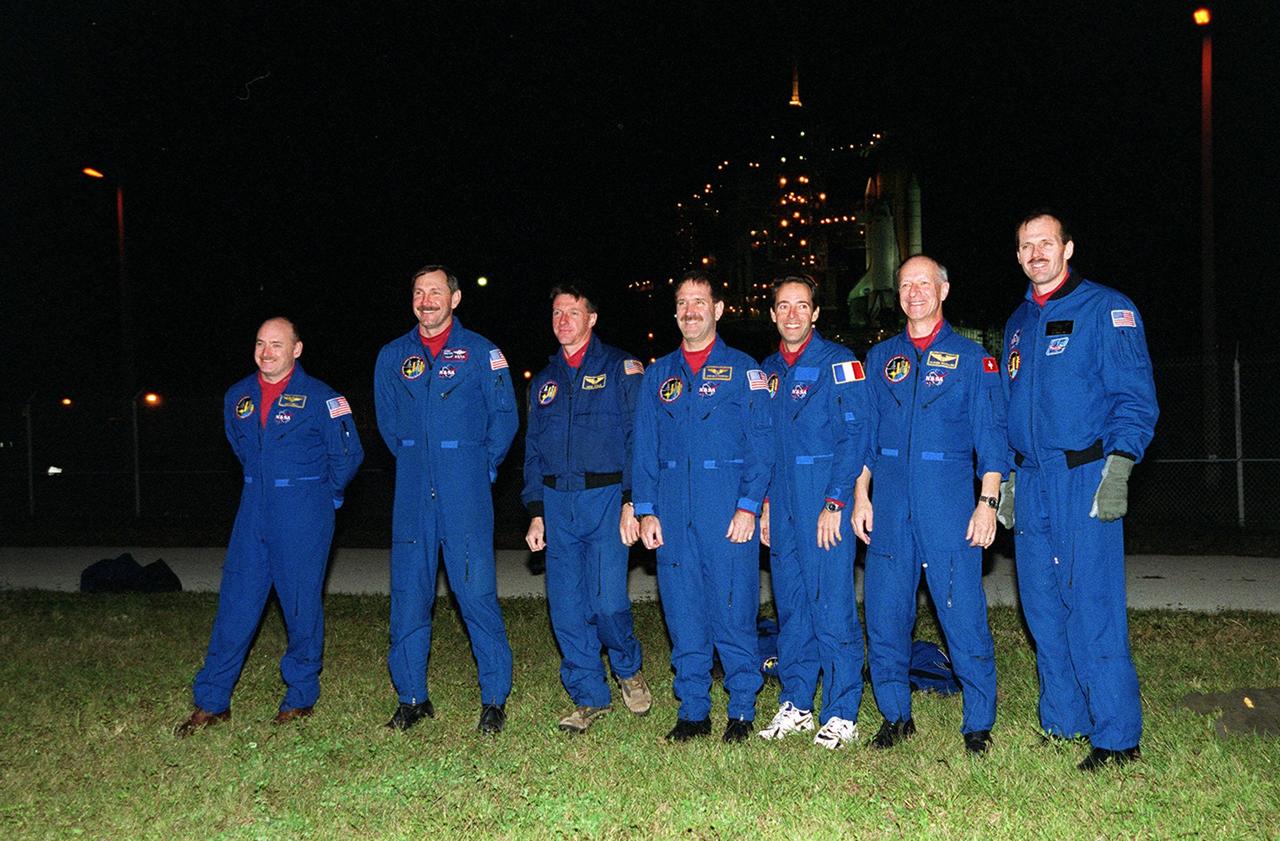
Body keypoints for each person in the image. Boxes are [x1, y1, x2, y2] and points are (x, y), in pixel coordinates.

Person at [999, 212, 1158, 770]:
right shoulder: (1017, 321)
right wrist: (1011, 476)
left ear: (1067, 247)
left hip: (1084, 477)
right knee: (1042, 607)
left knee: (1092, 606)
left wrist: (1119, 467)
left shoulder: (1106, 310)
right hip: (1034, 481)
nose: (1036, 252)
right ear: (1018, 256)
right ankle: (1064, 722)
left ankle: (1117, 737)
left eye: (1046, 242)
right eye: (1026, 245)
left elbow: (1135, 399)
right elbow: (1009, 407)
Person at [176, 317, 364, 736]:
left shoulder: (322, 397)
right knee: (236, 603)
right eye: (260, 343)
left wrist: (324, 498)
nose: (266, 352)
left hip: (303, 510)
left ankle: (299, 697)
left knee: (299, 606)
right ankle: (212, 701)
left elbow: (348, 456)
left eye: (277, 344)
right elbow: (240, 448)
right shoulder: (238, 396)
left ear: (297, 349)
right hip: (253, 507)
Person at [851, 256, 1006, 755]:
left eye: (924, 283)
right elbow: (867, 440)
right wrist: (860, 496)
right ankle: (896, 715)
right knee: (885, 617)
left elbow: (992, 441)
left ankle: (978, 721)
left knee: (963, 616)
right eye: (905, 285)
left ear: (943, 289)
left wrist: (987, 503)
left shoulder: (971, 357)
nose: (914, 292)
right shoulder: (880, 359)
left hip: (949, 507)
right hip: (890, 508)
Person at [374, 264, 519, 734]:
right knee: (409, 597)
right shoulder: (392, 356)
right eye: (419, 292)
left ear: (454, 299)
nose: (426, 300)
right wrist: (421, 458)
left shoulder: (483, 353)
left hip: (466, 494)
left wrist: (478, 467)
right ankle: (412, 697)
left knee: (475, 595)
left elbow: (505, 420)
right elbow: (390, 426)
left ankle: (494, 698)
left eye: (436, 292)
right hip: (413, 494)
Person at [632, 271, 774, 743]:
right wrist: (646, 509)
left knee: (733, 612)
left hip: (727, 509)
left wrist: (749, 505)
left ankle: (740, 709)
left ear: (717, 310)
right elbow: (645, 449)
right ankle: (693, 710)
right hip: (672, 512)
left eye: (700, 301)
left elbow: (761, 443)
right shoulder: (658, 374)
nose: (690, 310)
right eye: (682, 302)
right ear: (675, 313)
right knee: (684, 614)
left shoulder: (744, 370)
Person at [522, 283, 652, 733]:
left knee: (607, 601)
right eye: (556, 313)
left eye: (572, 312)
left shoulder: (621, 367)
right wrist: (536, 509)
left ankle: (628, 668)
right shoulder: (544, 381)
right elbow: (533, 450)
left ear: (591, 318)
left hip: (606, 499)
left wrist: (633, 501)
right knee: (566, 607)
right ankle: (588, 696)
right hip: (558, 503)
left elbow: (640, 438)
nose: (563, 320)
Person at [756, 274, 870, 750]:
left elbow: (855, 437)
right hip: (780, 503)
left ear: (816, 313)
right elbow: (761, 445)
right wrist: (762, 504)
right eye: (783, 306)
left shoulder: (839, 363)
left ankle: (843, 711)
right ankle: (798, 703)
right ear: (773, 314)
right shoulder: (766, 370)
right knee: (793, 606)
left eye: (802, 306)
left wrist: (836, 501)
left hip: (823, 498)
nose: (793, 315)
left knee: (832, 605)